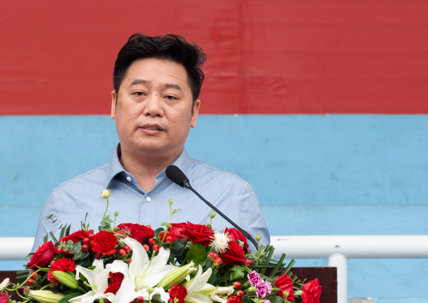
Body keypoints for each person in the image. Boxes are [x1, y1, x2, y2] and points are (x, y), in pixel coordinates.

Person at [32, 33, 269, 248]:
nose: (153, 108)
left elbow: (260, 281)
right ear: (114, 104)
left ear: (194, 112)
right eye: (139, 93)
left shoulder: (232, 197)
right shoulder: (65, 201)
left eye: (170, 96)